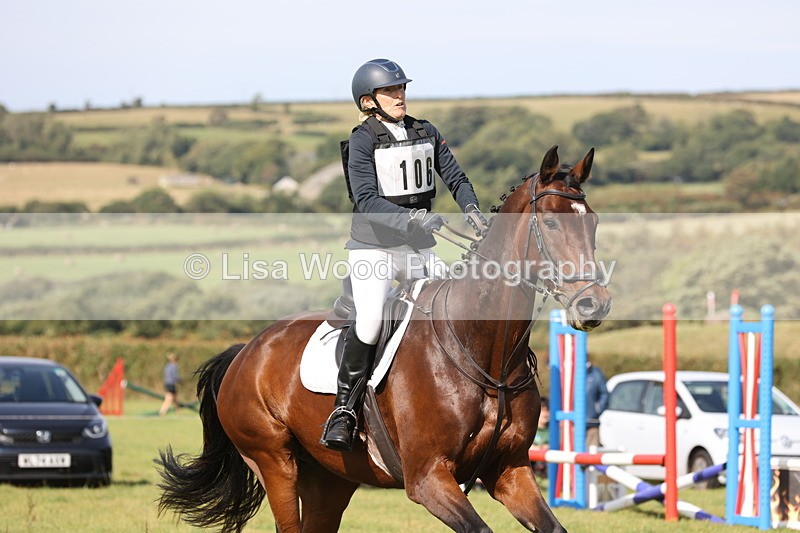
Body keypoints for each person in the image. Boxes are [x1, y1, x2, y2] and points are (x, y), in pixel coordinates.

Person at [321, 58, 489, 451]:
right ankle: (343, 410)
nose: (400, 96)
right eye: (391, 91)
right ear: (368, 102)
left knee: (452, 308)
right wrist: (413, 220)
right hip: (373, 249)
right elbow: (365, 199)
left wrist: (473, 211)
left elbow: (456, 177)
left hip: (418, 248)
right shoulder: (362, 140)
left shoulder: (425, 130)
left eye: (402, 89)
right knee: (371, 323)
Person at [585, 353, 609, 449]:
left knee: (591, 454)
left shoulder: (596, 374)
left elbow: (605, 394)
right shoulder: (570, 372)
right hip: (572, 423)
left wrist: (597, 409)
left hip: (592, 422)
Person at [530, 395, 550, 477]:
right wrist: (535, 448)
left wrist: (547, 447)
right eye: (543, 411)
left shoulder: (553, 430)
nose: (546, 414)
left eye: (547, 410)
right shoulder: (529, 429)